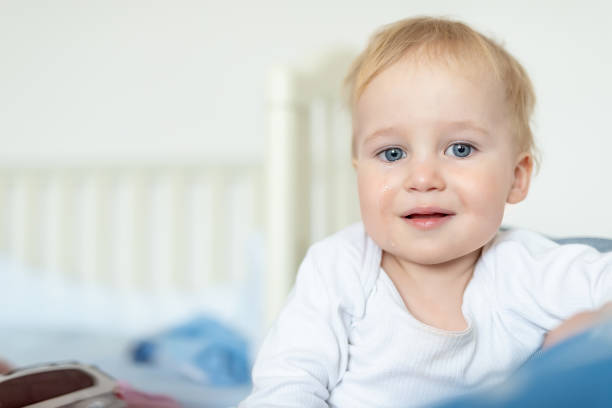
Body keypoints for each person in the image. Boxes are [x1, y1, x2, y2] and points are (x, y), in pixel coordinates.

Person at [240, 16, 612, 407]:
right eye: (392, 153)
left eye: (460, 149)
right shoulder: (338, 269)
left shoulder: (525, 268)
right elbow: (286, 387)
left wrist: (578, 334)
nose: (422, 178)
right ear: (359, 175)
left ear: (516, 177)